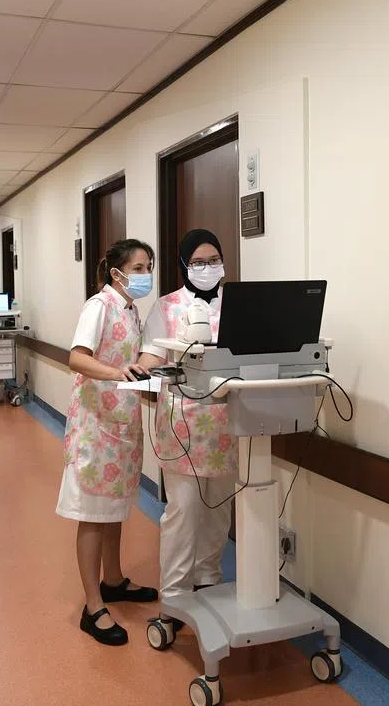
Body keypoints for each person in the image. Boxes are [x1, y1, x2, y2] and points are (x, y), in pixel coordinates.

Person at [56, 239, 159, 646]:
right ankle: (93, 605)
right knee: (92, 512)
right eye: (139, 267)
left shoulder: (130, 310)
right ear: (117, 272)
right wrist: (118, 375)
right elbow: (77, 358)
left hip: (121, 419)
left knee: (114, 508)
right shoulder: (98, 307)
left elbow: (133, 357)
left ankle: (114, 580)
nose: (145, 273)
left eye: (148, 266)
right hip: (96, 425)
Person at [138, 229, 238, 633]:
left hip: (228, 427)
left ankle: (209, 583)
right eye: (198, 261)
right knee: (183, 514)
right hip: (183, 427)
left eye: (214, 259)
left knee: (218, 513)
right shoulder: (167, 307)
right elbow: (150, 356)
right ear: (183, 266)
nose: (208, 267)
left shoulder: (236, 304)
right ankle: (175, 597)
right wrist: (139, 371)